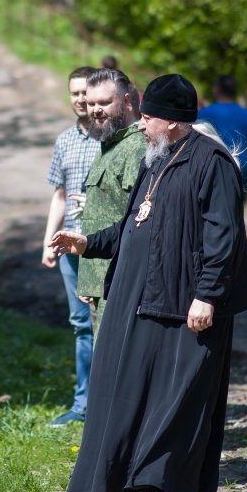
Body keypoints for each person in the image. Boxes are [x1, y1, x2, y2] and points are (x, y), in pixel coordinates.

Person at [49, 74, 247, 492]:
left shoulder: (212, 162)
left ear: (173, 120)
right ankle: (146, 482)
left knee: (183, 398)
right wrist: (87, 243)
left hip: (188, 303)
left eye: (147, 117)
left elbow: (224, 236)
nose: (140, 124)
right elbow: (134, 224)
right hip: (146, 295)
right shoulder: (157, 158)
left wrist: (207, 296)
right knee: (135, 391)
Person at [42, 66, 101, 426]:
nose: (80, 99)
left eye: (85, 93)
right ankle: (82, 405)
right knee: (80, 324)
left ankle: (109, 404)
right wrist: (48, 240)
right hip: (69, 248)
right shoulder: (64, 140)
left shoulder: (113, 137)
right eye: (75, 93)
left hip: (102, 246)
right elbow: (59, 195)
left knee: (106, 323)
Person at [76, 69, 147, 332]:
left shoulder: (136, 147)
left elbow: (139, 220)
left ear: (127, 101)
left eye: (104, 102)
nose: (95, 110)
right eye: (91, 103)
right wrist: (88, 279)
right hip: (100, 283)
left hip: (120, 285)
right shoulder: (109, 143)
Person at [197, 75, 247, 196]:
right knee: (236, 207)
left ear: (217, 89)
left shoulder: (203, 113)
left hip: (210, 170)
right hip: (241, 172)